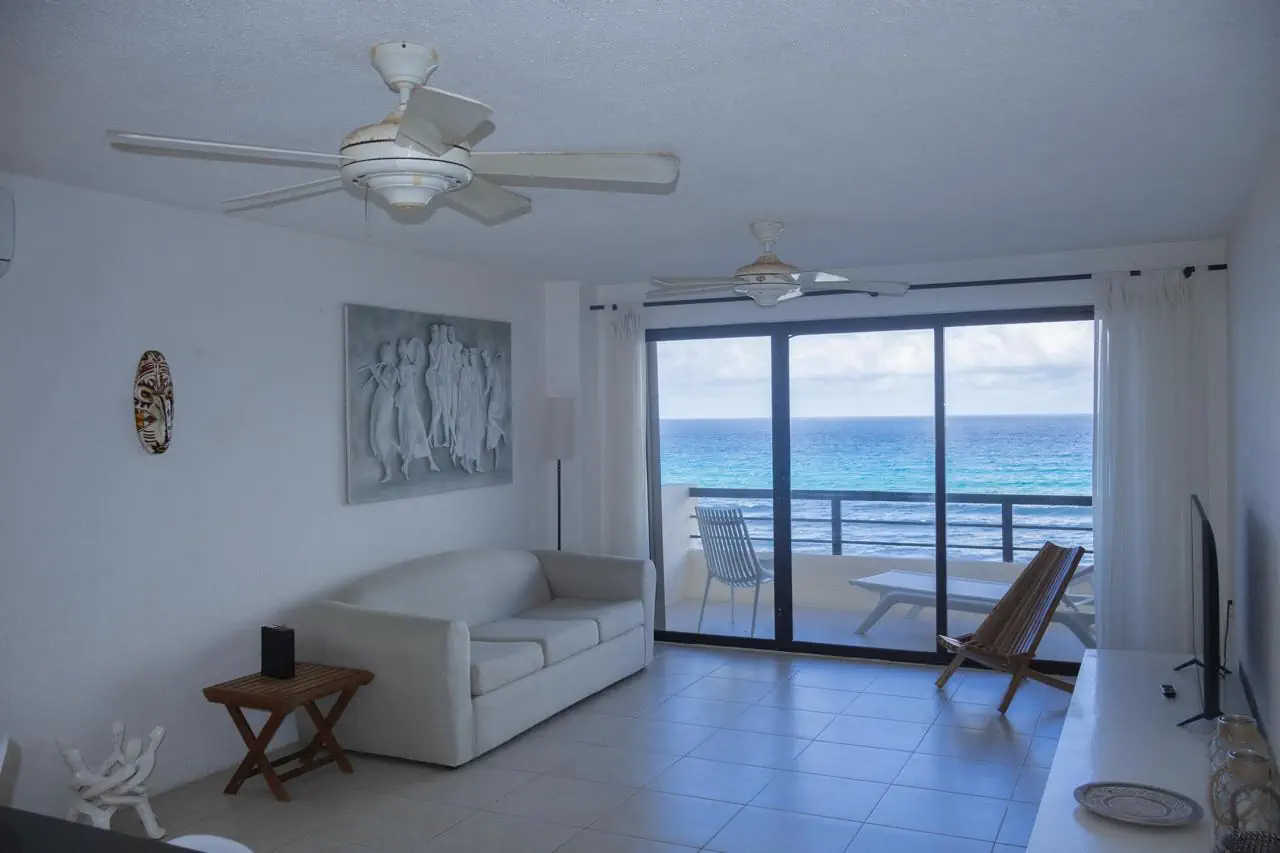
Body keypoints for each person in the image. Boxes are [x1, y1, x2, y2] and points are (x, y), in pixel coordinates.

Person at [395, 337, 437, 477]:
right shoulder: (403, 365)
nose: (401, 351)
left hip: (409, 398)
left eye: (402, 348)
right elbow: (403, 382)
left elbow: (405, 380)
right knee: (414, 430)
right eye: (400, 349)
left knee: (416, 430)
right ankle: (411, 463)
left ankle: (427, 462)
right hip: (407, 400)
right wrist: (405, 373)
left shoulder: (405, 364)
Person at [364, 342, 399, 483]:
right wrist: (377, 373)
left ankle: (389, 468)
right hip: (378, 399)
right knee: (375, 431)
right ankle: (396, 452)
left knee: (380, 433)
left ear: (391, 355)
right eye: (382, 353)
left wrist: (376, 374)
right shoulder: (383, 369)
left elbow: (389, 387)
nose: (383, 356)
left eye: (386, 353)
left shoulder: (394, 370)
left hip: (386, 401)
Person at [483, 350, 508, 468]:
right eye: (484, 360)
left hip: (494, 400)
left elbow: (487, 389)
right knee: (493, 430)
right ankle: (496, 463)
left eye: (485, 359)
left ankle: (503, 432)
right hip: (500, 400)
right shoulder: (495, 367)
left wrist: (478, 394)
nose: (485, 361)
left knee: (490, 420)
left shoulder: (489, 370)